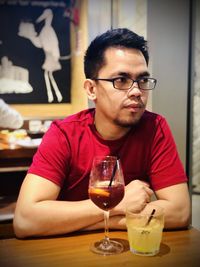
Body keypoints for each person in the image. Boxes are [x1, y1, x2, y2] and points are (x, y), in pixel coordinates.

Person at [13, 28, 190, 238]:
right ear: (91, 89)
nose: (136, 91)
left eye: (142, 80)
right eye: (121, 80)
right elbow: (25, 220)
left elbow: (180, 212)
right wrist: (116, 204)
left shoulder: (155, 128)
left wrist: (105, 221)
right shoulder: (64, 134)